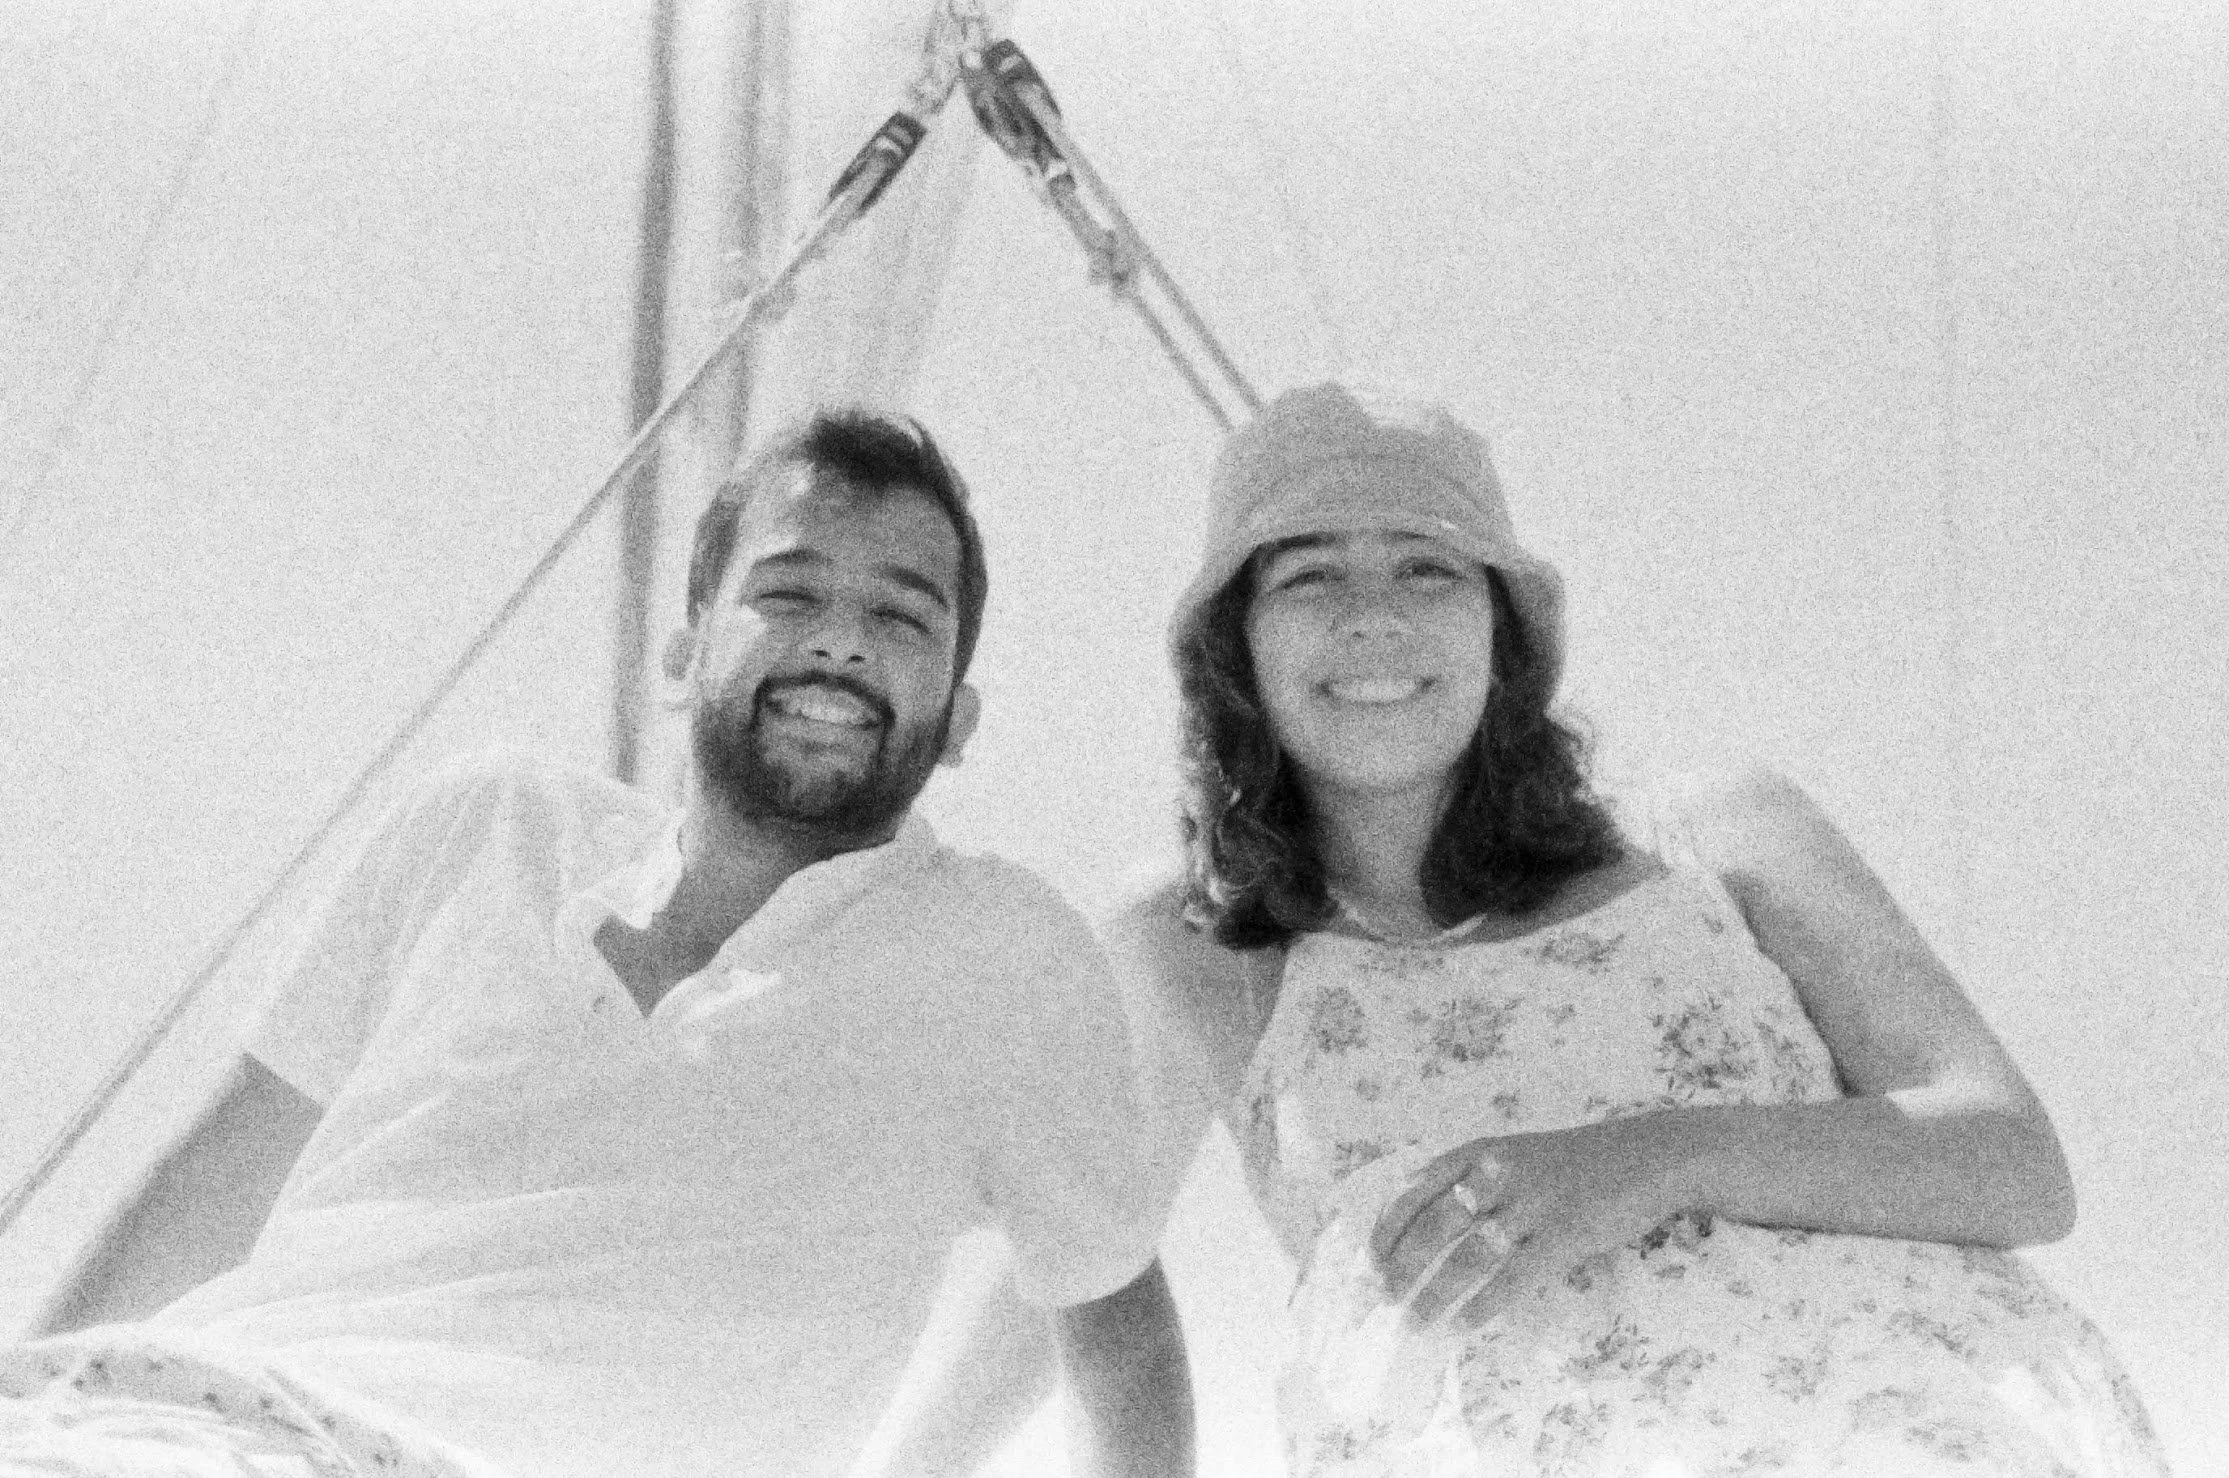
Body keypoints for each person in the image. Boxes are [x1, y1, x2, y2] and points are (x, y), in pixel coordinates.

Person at [5, 411, 1193, 1478]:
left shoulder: (1003, 954)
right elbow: (216, 1179)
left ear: (961, 716)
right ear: (683, 655)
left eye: (901, 612)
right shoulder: (485, 826)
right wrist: (30, 1401)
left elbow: (1118, 1337)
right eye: (789, 592)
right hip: (213, 1420)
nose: (842, 640)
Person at [1109, 382, 2168, 1475]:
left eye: (1429, 565)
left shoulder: (1717, 831)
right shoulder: (1202, 949)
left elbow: (2013, 1160)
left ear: (1503, 634)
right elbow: (1067, 1256)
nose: (1373, 613)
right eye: (1307, 572)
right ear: (1237, 649)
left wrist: (1641, 1160)